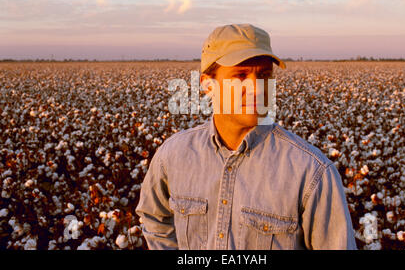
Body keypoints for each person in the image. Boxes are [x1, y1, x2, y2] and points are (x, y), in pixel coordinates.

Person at [136, 23, 357, 250]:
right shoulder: (173, 156)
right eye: (240, 76)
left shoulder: (311, 171)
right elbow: (154, 219)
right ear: (207, 85)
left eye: (263, 75)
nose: (256, 88)